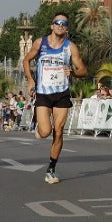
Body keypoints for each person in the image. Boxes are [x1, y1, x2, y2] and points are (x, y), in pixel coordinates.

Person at [23, 14, 87, 184]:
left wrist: (73, 72)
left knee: (58, 131)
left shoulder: (70, 47)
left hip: (62, 93)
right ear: (52, 26)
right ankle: (39, 125)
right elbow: (26, 60)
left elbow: (83, 70)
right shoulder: (40, 43)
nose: (60, 25)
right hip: (43, 92)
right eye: (57, 23)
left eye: (64, 23)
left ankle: (51, 169)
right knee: (45, 132)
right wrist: (30, 80)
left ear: (66, 28)